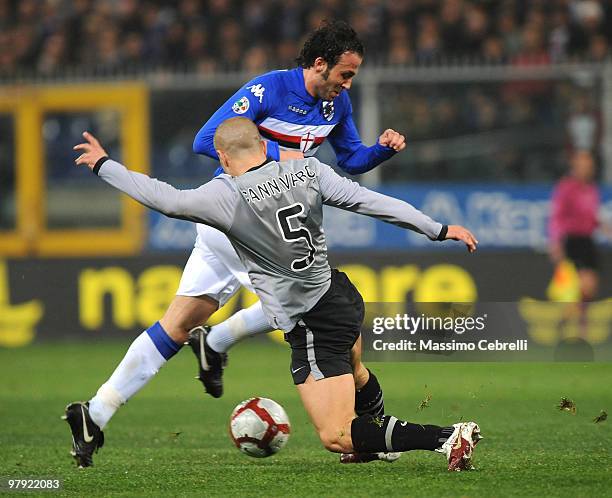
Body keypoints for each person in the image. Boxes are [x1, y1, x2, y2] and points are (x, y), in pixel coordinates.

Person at [65, 119, 481, 470]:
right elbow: (371, 202)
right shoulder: (309, 170)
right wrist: (438, 229)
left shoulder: (225, 195)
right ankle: (375, 440)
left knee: (336, 435)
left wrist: (104, 164)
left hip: (311, 320)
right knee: (356, 376)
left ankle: (446, 437)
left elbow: (167, 200)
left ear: (223, 160)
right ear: (265, 146)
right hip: (339, 293)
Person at [78, 20, 406, 465]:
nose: (349, 84)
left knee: (176, 326)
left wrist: (382, 150)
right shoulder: (268, 90)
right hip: (242, 219)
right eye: (345, 74)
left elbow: (351, 159)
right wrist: (279, 155)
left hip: (235, 226)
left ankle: (94, 412)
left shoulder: (337, 104)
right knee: (312, 301)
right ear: (319, 64)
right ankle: (216, 344)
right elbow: (203, 141)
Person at [549, 150, 606, 302]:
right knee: (575, 287)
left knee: (591, 288)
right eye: (582, 166)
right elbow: (557, 216)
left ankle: (581, 320)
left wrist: (603, 226)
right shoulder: (566, 187)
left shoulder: (592, 189)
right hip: (572, 241)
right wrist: (556, 241)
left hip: (587, 241)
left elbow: (590, 217)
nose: (586, 169)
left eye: (589, 166)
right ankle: (570, 320)